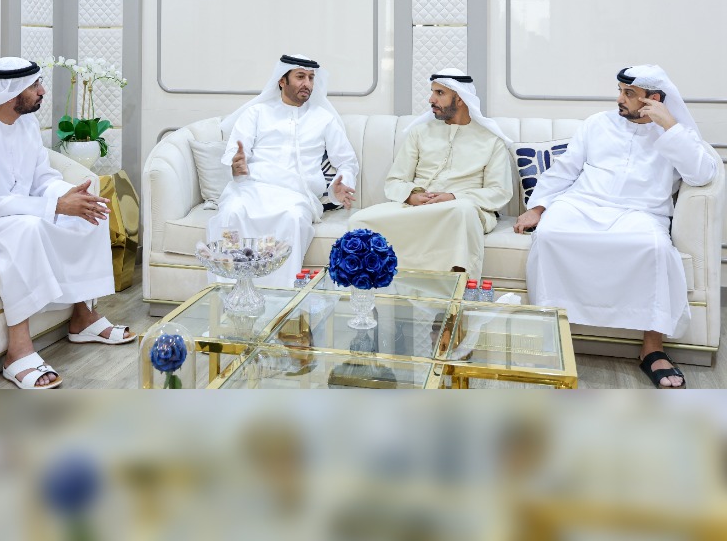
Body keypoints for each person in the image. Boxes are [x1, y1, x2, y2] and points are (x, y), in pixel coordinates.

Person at [0, 57, 136, 390]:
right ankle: (18, 350)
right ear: (10, 92)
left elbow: (42, 177)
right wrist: (56, 205)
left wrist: (69, 196)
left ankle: (83, 317)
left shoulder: (25, 124)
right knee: (28, 229)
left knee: (88, 212)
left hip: (12, 211)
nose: (42, 91)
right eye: (34, 85)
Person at [514, 65, 717, 389]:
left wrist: (669, 127)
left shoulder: (676, 132)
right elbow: (566, 169)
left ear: (654, 99)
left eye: (629, 93)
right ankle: (551, 339)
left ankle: (652, 349)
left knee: (654, 248)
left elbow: (702, 175)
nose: (620, 99)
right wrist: (537, 208)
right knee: (550, 235)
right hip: (581, 203)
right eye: (620, 91)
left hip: (640, 211)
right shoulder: (597, 123)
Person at [208, 54, 359, 286]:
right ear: (282, 80)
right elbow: (235, 154)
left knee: (293, 218)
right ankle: (228, 295)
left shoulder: (324, 119)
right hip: (251, 189)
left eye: (311, 78)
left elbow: (347, 162)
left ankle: (280, 297)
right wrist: (236, 167)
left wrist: (338, 187)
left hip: (296, 195)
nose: (307, 83)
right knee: (231, 212)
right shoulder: (256, 113)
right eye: (300, 77)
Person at [348, 68, 513, 275]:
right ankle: (380, 288)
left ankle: (458, 289)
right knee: (359, 221)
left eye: (439, 93)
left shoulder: (491, 140)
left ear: (460, 98)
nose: (431, 99)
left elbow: (499, 191)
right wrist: (412, 195)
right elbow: (395, 181)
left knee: (461, 211)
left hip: (464, 209)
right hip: (417, 208)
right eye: (432, 92)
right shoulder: (420, 133)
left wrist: (453, 197)